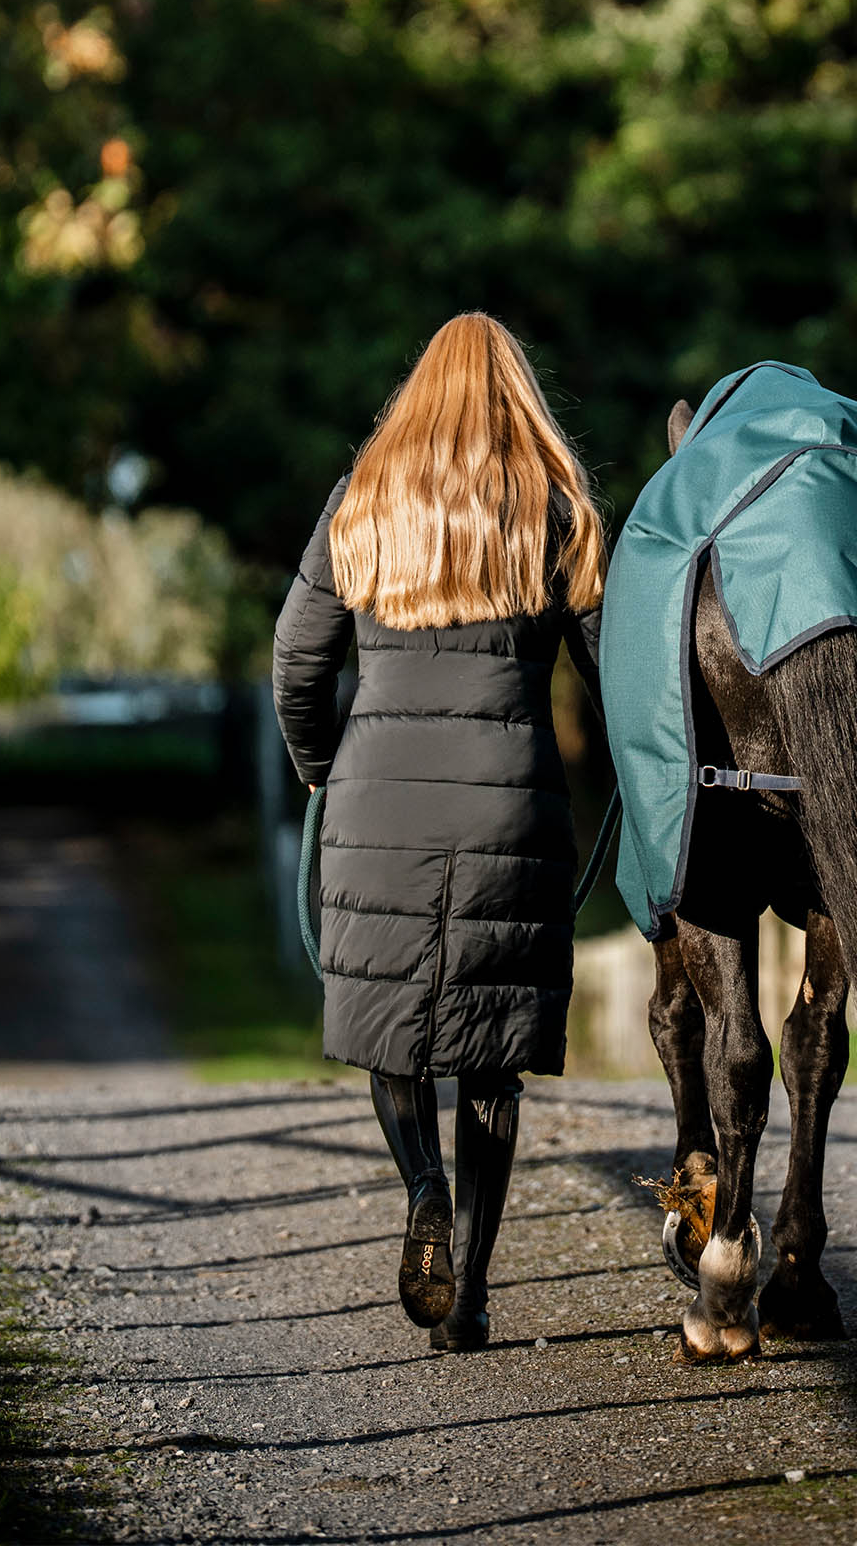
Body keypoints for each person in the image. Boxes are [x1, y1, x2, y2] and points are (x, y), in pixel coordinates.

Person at [272, 312, 605, 1352]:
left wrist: (320, 770)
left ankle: (421, 1182)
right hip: (509, 801)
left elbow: (297, 662)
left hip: (379, 801)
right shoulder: (556, 512)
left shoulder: (362, 502)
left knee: (394, 1024)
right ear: (520, 400)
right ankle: (469, 1296)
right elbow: (621, 678)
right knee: (492, 1054)